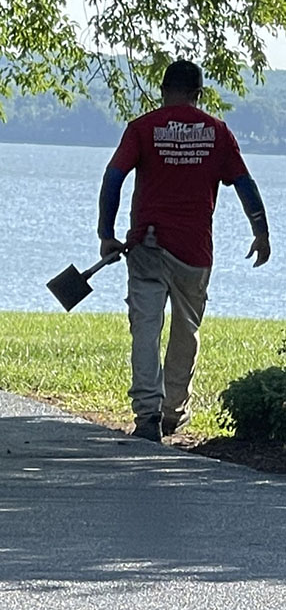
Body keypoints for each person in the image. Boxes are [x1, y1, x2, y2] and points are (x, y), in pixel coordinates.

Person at [97, 59, 271, 442]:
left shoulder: (142, 129)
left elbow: (113, 177)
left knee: (145, 328)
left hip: (147, 244)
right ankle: (173, 412)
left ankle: (147, 415)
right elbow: (244, 183)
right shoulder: (218, 133)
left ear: (162, 90)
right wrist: (261, 231)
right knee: (185, 330)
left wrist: (106, 233)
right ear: (198, 93)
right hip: (194, 251)